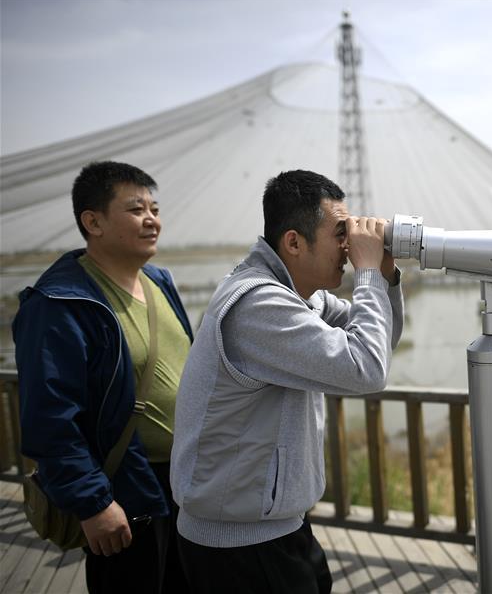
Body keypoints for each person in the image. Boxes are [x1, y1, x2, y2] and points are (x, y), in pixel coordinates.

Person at [170, 169, 403, 594]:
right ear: (293, 242)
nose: (349, 245)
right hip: (238, 547)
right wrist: (367, 275)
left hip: (274, 526)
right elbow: (365, 370)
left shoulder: (301, 295)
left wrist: (385, 277)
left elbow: (379, 342)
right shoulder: (257, 303)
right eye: (339, 233)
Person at [13, 161, 193, 593]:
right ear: (92, 221)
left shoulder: (158, 281)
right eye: (136, 210)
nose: (152, 220)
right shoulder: (59, 303)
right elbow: (51, 418)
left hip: (186, 485)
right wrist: (94, 504)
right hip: (126, 489)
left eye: (154, 208)